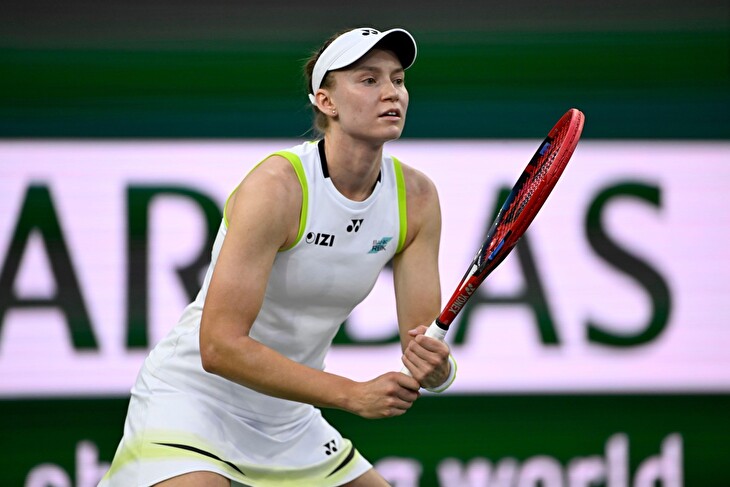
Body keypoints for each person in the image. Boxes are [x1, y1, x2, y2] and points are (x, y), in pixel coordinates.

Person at [100, 26, 456, 487]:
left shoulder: (417, 198)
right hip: (195, 401)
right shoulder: (277, 188)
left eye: (398, 79)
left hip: (287, 418)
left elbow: (421, 347)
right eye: (369, 80)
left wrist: (438, 370)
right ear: (326, 101)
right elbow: (220, 346)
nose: (392, 92)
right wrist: (351, 395)